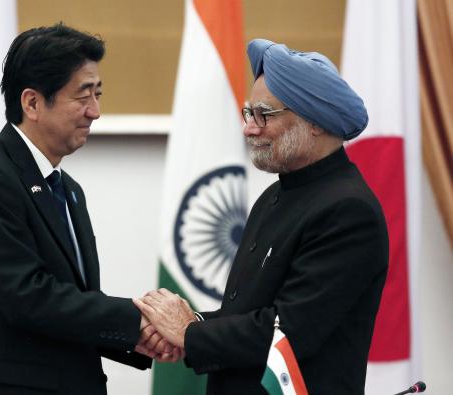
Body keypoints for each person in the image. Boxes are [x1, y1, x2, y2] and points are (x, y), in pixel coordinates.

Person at [135, 38, 389, 394]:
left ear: (314, 120)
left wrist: (190, 333)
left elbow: (290, 333)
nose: (249, 128)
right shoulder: (275, 195)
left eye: (263, 115)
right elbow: (247, 312)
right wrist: (181, 325)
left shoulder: (347, 211)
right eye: (248, 113)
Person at [0, 24, 176, 395]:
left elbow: (72, 305)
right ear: (32, 103)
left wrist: (136, 337)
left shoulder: (68, 190)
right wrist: (140, 321)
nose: (95, 112)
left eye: (98, 95)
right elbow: (29, 298)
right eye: (83, 96)